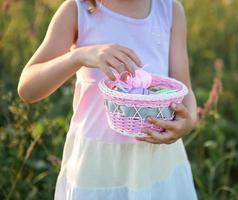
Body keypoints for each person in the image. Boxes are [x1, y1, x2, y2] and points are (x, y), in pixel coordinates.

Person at [17, 0, 199, 199]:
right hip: (97, 163)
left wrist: (189, 121)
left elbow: (184, 88)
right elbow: (28, 88)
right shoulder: (78, 10)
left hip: (155, 160)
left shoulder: (169, 10)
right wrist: (79, 56)